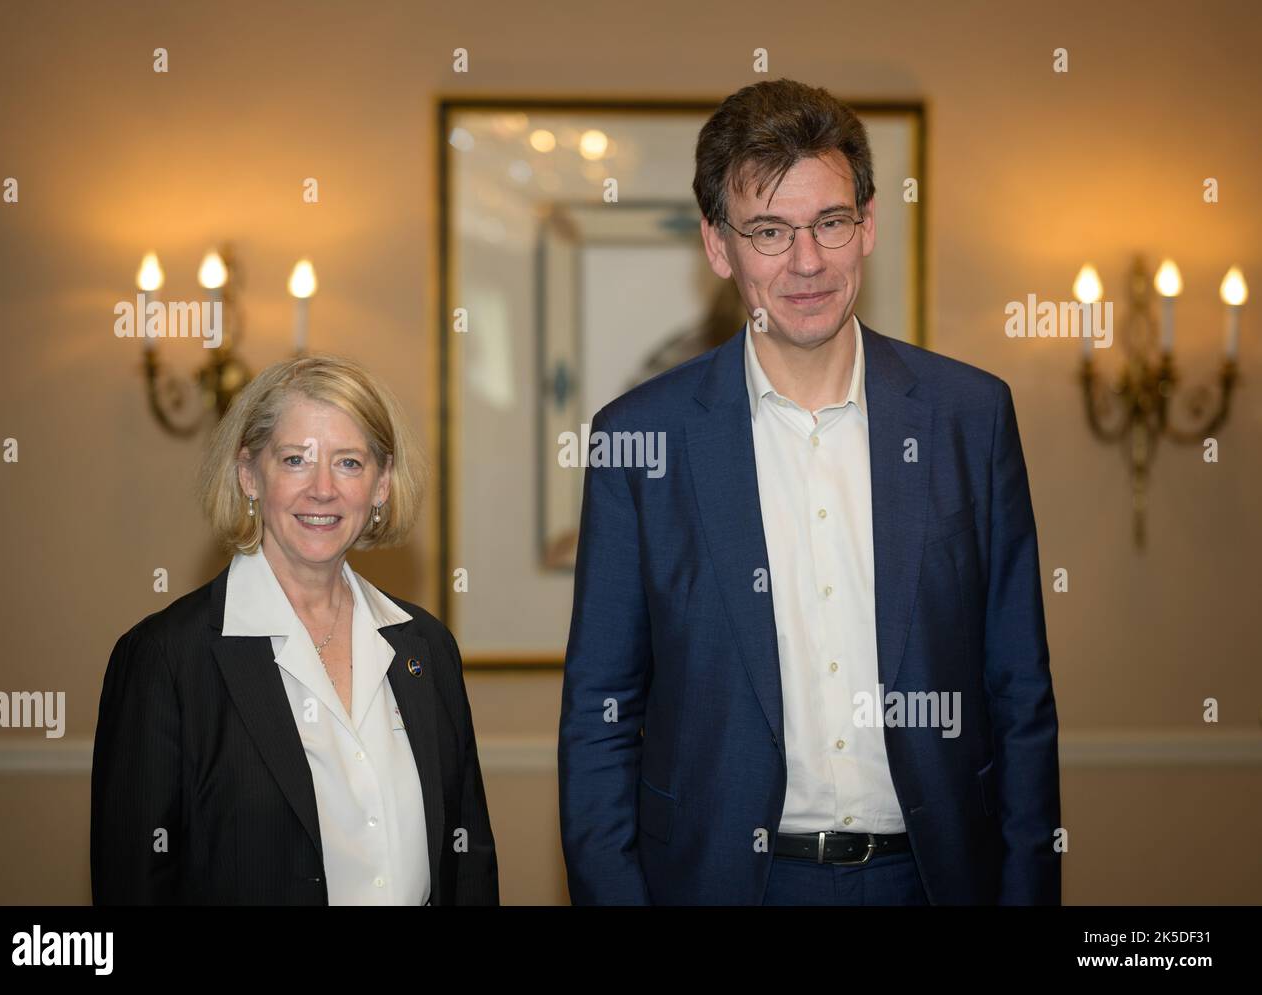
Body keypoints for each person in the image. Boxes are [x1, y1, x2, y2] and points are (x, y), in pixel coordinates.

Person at [559, 78, 1061, 905]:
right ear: (718, 246)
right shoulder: (638, 441)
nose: (807, 262)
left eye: (830, 222)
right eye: (769, 231)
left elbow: (1020, 694)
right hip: (724, 885)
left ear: (868, 225)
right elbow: (599, 717)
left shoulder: (970, 418)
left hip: (933, 879)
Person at [92, 354, 497, 905]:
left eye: (349, 462)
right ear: (248, 475)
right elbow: (135, 884)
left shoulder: (426, 646)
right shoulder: (165, 660)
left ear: (381, 484)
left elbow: (469, 865)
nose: (323, 489)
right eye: (295, 460)